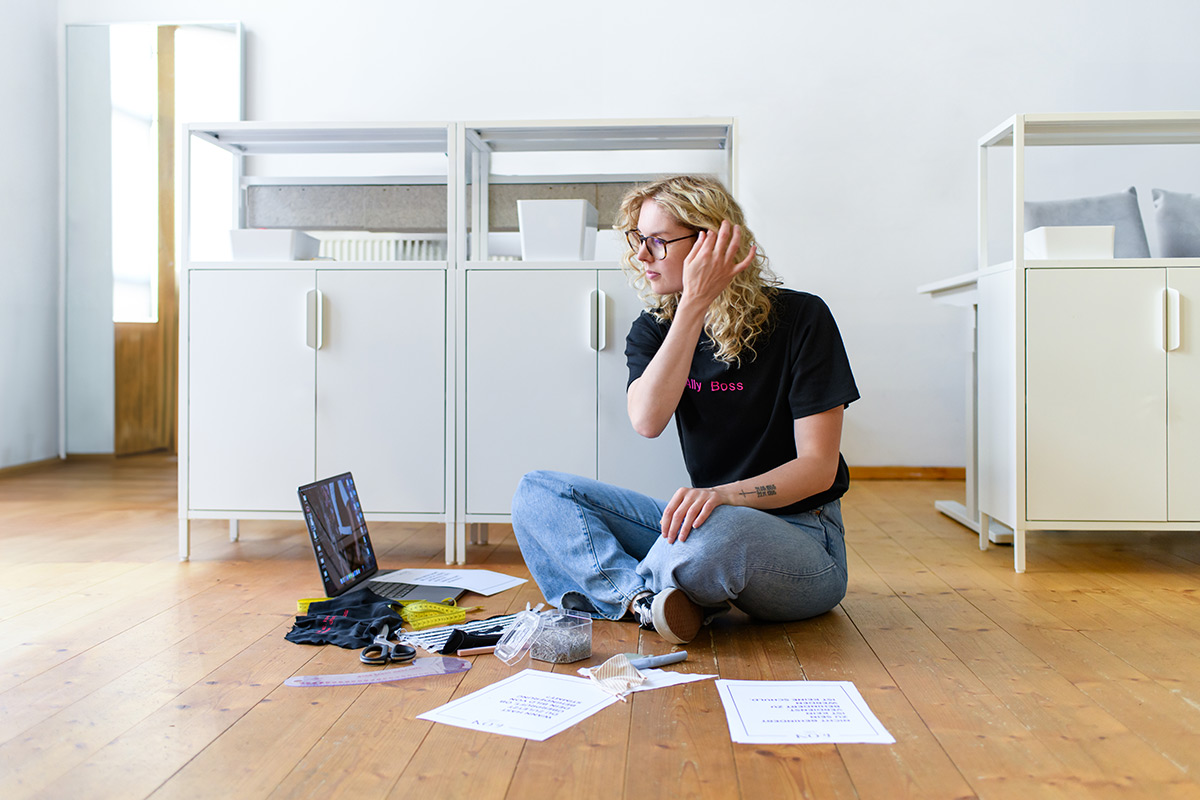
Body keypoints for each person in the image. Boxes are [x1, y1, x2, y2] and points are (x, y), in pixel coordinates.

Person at [511, 175, 859, 644]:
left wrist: (725, 497)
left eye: (657, 242)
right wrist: (693, 306)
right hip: (703, 525)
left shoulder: (803, 318)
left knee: (718, 533)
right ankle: (645, 602)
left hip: (803, 539)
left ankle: (642, 590)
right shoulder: (655, 329)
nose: (641, 256)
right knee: (538, 493)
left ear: (710, 243)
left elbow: (818, 469)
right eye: (638, 240)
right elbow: (647, 420)